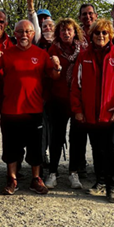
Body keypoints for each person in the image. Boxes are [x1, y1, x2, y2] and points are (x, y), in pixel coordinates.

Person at [0, 19, 54, 196]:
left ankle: (36, 179)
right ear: (14, 34)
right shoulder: (6, 54)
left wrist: (58, 66)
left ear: (33, 34)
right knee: (11, 147)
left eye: (27, 32)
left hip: (34, 110)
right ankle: (12, 179)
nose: (24, 35)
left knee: (36, 147)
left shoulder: (41, 54)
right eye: (20, 32)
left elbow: (53, 75)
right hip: (11, 110)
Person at [70, 19, 114, 203]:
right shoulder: (84, 56)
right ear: (92, 35)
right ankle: (100, 182)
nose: (101, 36)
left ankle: (112, 186)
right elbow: (76, 86)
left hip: (113, 113)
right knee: (97, 149)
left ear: (110, 35)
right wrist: (78, 110)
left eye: (104, 33)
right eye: (97, 33)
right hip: (91, 113)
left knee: (111, 147)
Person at [44, 18, 87, 189]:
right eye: (62, 31)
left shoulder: (83, 49)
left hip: (78, 99)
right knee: (57, 136)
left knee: (77, 137)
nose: (66, 33)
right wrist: (57, 68)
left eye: (69, 30)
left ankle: (74, 172)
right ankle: (53, 172)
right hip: (59, 99)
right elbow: (51, 76)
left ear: (75, 31)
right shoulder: (53, 49)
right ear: (58, 33)